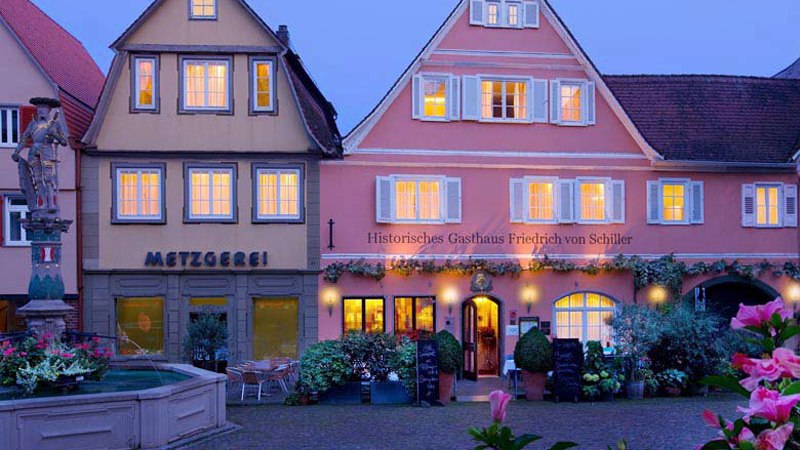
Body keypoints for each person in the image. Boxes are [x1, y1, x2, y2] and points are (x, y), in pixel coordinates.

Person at [11, 97, 67, 220]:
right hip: (33, 151)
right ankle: (44, 203)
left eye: (43, 108)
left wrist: (54, 134)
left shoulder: (55, 123)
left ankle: (51, 203)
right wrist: (16, 151)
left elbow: (64, 141)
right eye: (39, 108)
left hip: (46, 151)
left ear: (49, 109)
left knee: (48, 178)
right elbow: (24, 138)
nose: (40, 110)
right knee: (37, 179)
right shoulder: (33, 123)